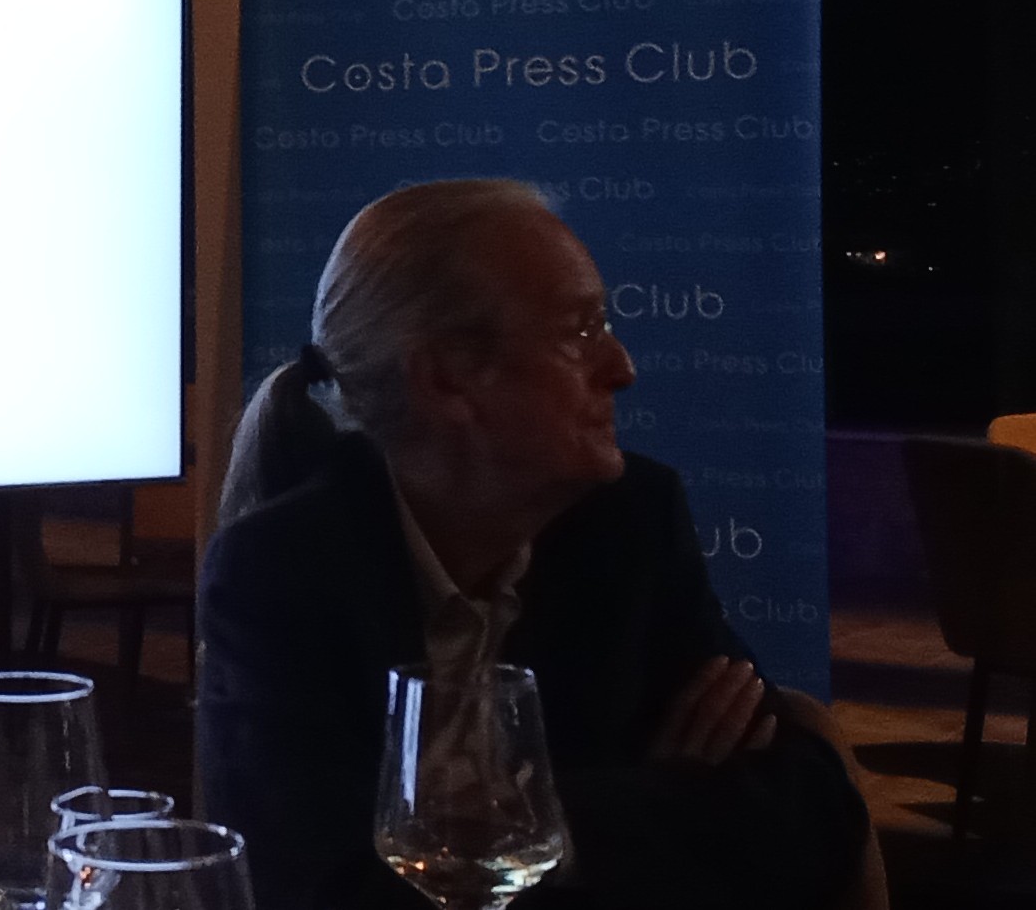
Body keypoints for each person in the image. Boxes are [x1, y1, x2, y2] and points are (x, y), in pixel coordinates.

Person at [198, 179, 869, 910]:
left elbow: (813, 816)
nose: (621, 367)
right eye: (579, 331)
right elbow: (318, 888)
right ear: (448, 378)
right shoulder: (281, 572)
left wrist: (529, 826)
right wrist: (661, 797)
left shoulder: (628, 524)